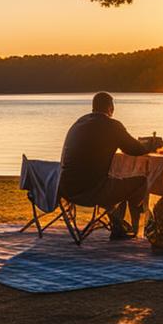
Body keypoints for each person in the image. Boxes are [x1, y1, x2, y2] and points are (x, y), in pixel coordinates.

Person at [58, 92, 151, 239]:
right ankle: (130, 227)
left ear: (93, 107)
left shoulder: (80, 121)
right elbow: (135, 149)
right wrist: (152, 145)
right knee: (143, 181)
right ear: (110, 108)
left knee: (117, 179)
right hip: (93, 191)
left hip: (66, 189)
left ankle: (119, 223)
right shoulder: (112, 125)